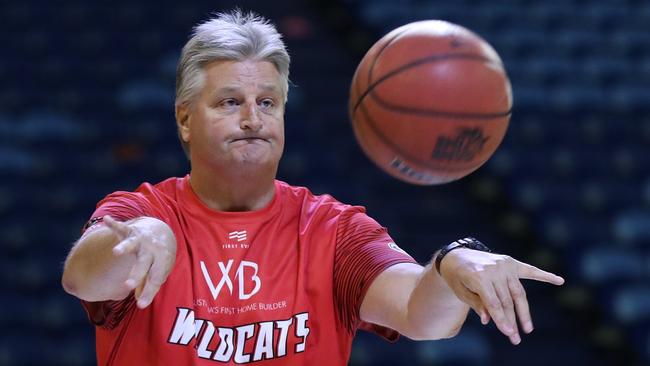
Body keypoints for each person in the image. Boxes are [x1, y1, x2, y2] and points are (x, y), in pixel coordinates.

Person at [61, 9, 564, 366]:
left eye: (268, 103)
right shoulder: (143, 209)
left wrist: (454, 260)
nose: (252, 118)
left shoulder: (334, 229)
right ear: (185, 119)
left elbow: (419, 313)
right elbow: (83, 278)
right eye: (229, 102)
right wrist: (139, 240)